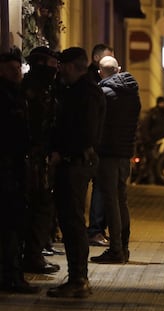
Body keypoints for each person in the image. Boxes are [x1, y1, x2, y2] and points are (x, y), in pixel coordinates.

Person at [47, 47, 105, 298]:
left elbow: (85, 133)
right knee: (72, 222)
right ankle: (77, 278)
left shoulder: (85, 93)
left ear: (72, 66)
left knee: (73, 223)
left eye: (62, 66)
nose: (59, 70)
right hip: (75, 162)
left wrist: (62, 152)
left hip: (75, 164)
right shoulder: (79, 90)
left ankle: (78, 279)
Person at [90, 56, 141, 264]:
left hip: (108, 154)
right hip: (124, 154)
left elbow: (96, 124)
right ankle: (124, 248)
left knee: (111, 202)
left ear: (100, 72)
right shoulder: (133, 94)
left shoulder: (103, 94)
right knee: (121, 201)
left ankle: (116, 250)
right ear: (118, 69)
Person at [0, 51, 40, 294]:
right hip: (7, 169)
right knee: (11, 224)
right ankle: (12, 276)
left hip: (15, 167)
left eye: (19, 68)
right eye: (12, 68)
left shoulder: (19, 95)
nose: (17, 72)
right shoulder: (8, 97)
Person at [21, 46, 62, 275]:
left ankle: (32, 254)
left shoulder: (40, 88)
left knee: (41, 207)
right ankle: (32, 256)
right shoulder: (35, 90)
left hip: (38, 157)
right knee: (39, 207)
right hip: (34, 159)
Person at [87, 43, 114, 247]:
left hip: (100, 143)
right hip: (95, 144)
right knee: (99, 188)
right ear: (97, 59)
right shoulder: (93, 84)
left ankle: (97, 229)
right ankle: (95, 230)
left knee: (101, 187)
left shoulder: (99, 84)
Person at [140, 96, 164, 184]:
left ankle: (156, 180)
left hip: (161, 142)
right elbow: (145, 127)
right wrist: (147, 140)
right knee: (152, 161)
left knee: (158, 162)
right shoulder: (153, 113)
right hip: (151, 143)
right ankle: (151, 181)